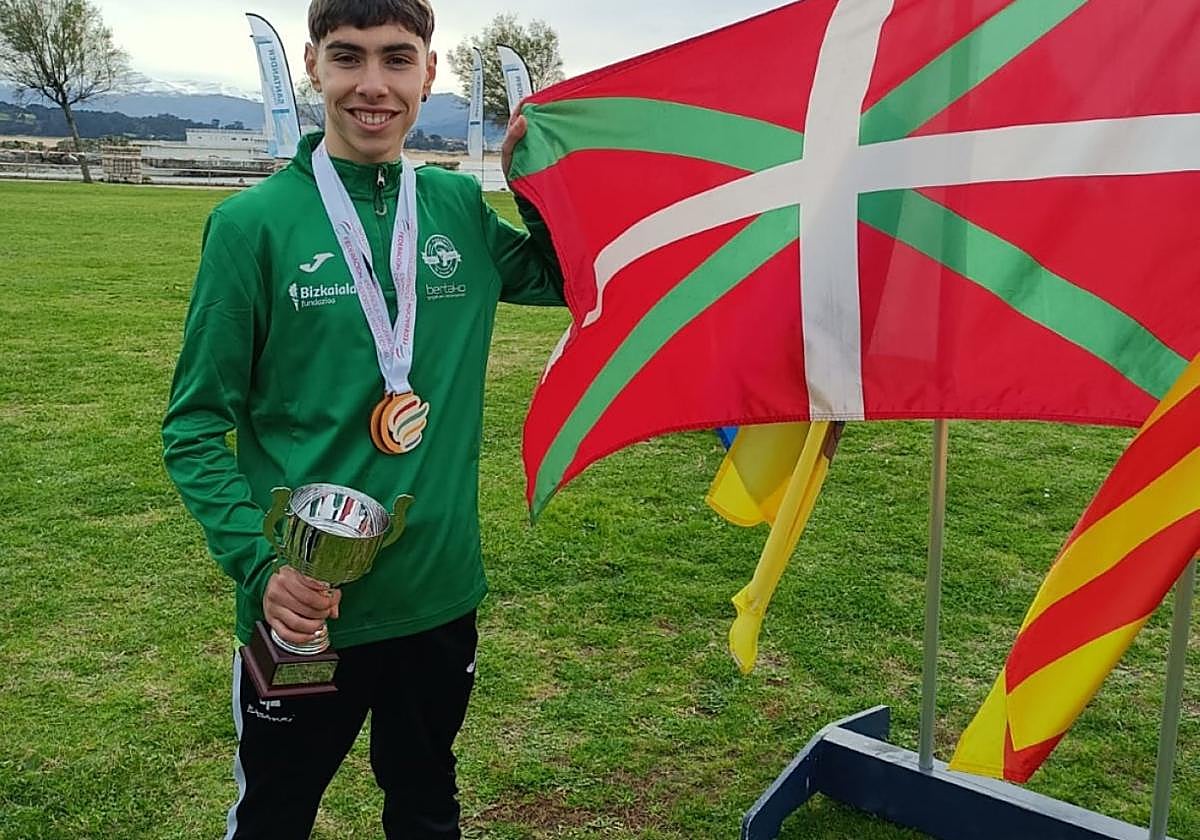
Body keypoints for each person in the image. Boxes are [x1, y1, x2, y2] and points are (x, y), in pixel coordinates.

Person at [161, 1, 564, 837]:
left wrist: (538, 179)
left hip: (439, 595)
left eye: (395, 59)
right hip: (305, 610)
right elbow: (196, 425)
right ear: (312, 66)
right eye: (348, 58)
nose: (372, 86)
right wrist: (259, 568)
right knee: (276, 811)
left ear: (430, 71)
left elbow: (573, 279)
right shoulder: (251, 225)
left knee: (425, 802)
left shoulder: (456, 209)